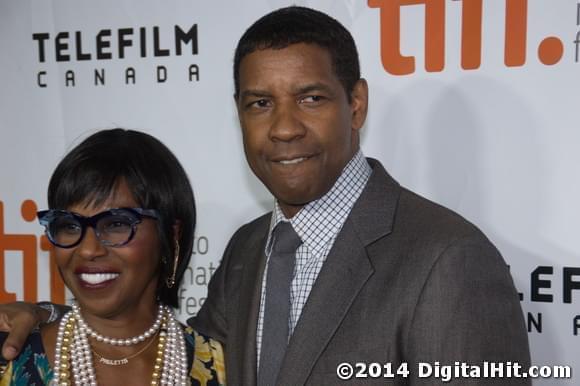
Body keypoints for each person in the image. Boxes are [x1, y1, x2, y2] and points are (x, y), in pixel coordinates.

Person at [1, 6, 530, 385]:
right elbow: (172, 354)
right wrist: (46, 317)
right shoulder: (250, 249)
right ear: (239, 113)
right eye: (259, 103)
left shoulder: (448, 260)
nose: (283, 128)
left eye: (310, 98)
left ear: (357, 105)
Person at [0, 129, 225, 385]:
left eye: (116, 224)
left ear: (171, 236)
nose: (87, 249)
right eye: (70, 225)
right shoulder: (10, 356)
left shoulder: (221, 366)